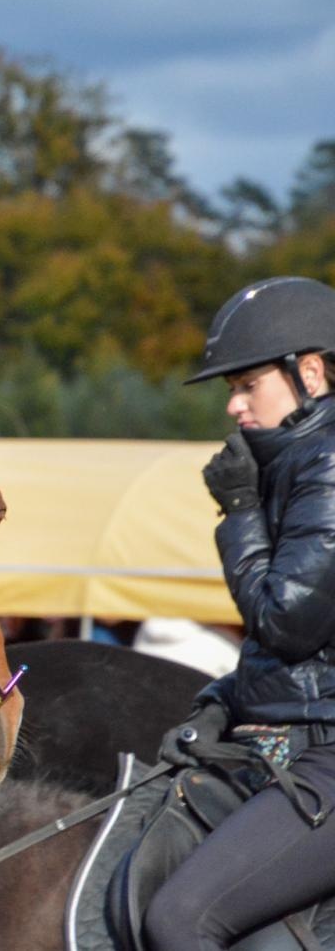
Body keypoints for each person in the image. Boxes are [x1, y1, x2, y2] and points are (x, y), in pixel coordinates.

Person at [146, 276, 335, 950]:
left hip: (330, 763)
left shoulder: (331, 466)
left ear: (309, 372)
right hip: (302, 744)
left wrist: (241, 514)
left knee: (181, 918)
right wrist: (220, 700)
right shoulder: (298, 466)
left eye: (248, 384)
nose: (233, 405)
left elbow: (285, 622)